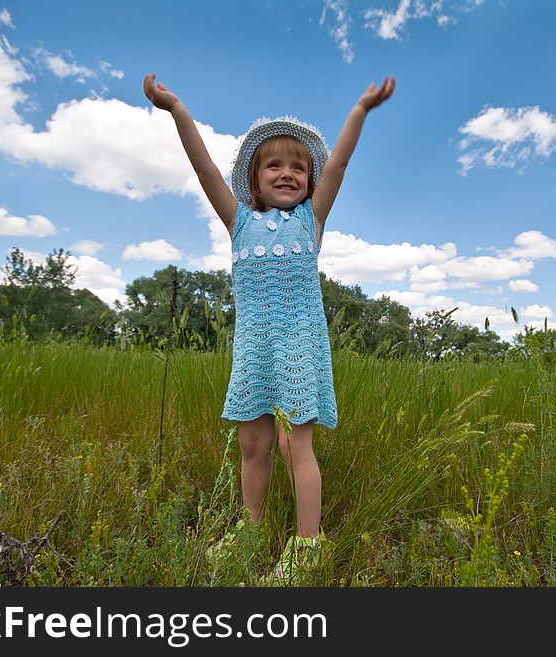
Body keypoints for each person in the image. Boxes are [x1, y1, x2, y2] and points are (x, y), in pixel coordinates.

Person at [143, 71, 395, 582]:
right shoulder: (238, 221)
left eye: (298, 167)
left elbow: (340, 164)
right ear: (254, 178)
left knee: (292, 444)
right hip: (255, 348)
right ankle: (250, 531)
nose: (287, 174)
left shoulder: (310, 221)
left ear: (309, 179)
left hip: (300, 345)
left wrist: (360, 110)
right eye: (274, 166)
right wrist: (177, 110)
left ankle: (308, 545)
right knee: (252, 445)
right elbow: (203, 167)